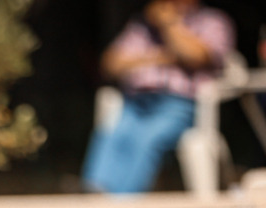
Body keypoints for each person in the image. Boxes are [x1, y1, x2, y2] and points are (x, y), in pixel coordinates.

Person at [82, 0, 234, 194]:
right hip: (136, 102)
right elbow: (110, 64)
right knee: (113, 133)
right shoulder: (142, 26)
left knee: (148, 138)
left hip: (180, 105)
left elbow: (195, 56)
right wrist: (162, 57)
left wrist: (168, 24)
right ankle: (96, 195)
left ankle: (123, 201)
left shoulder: (213, 20)